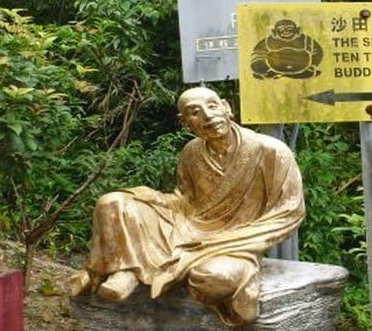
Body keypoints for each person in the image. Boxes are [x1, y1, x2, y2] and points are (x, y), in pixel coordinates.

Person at [69, 87, 305, 326]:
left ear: (226, 107)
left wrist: (230, 241)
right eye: (195, 112)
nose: (207, 116)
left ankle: (165, 269)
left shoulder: (272, 151)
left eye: (212, 106)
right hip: (190, 226)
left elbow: (289, 212)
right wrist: (157, 199)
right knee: (112, 202)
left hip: (235, 240)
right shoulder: (191, 152)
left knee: (212, 279)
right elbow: (186, 202)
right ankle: (126, 270)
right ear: (185, 123)